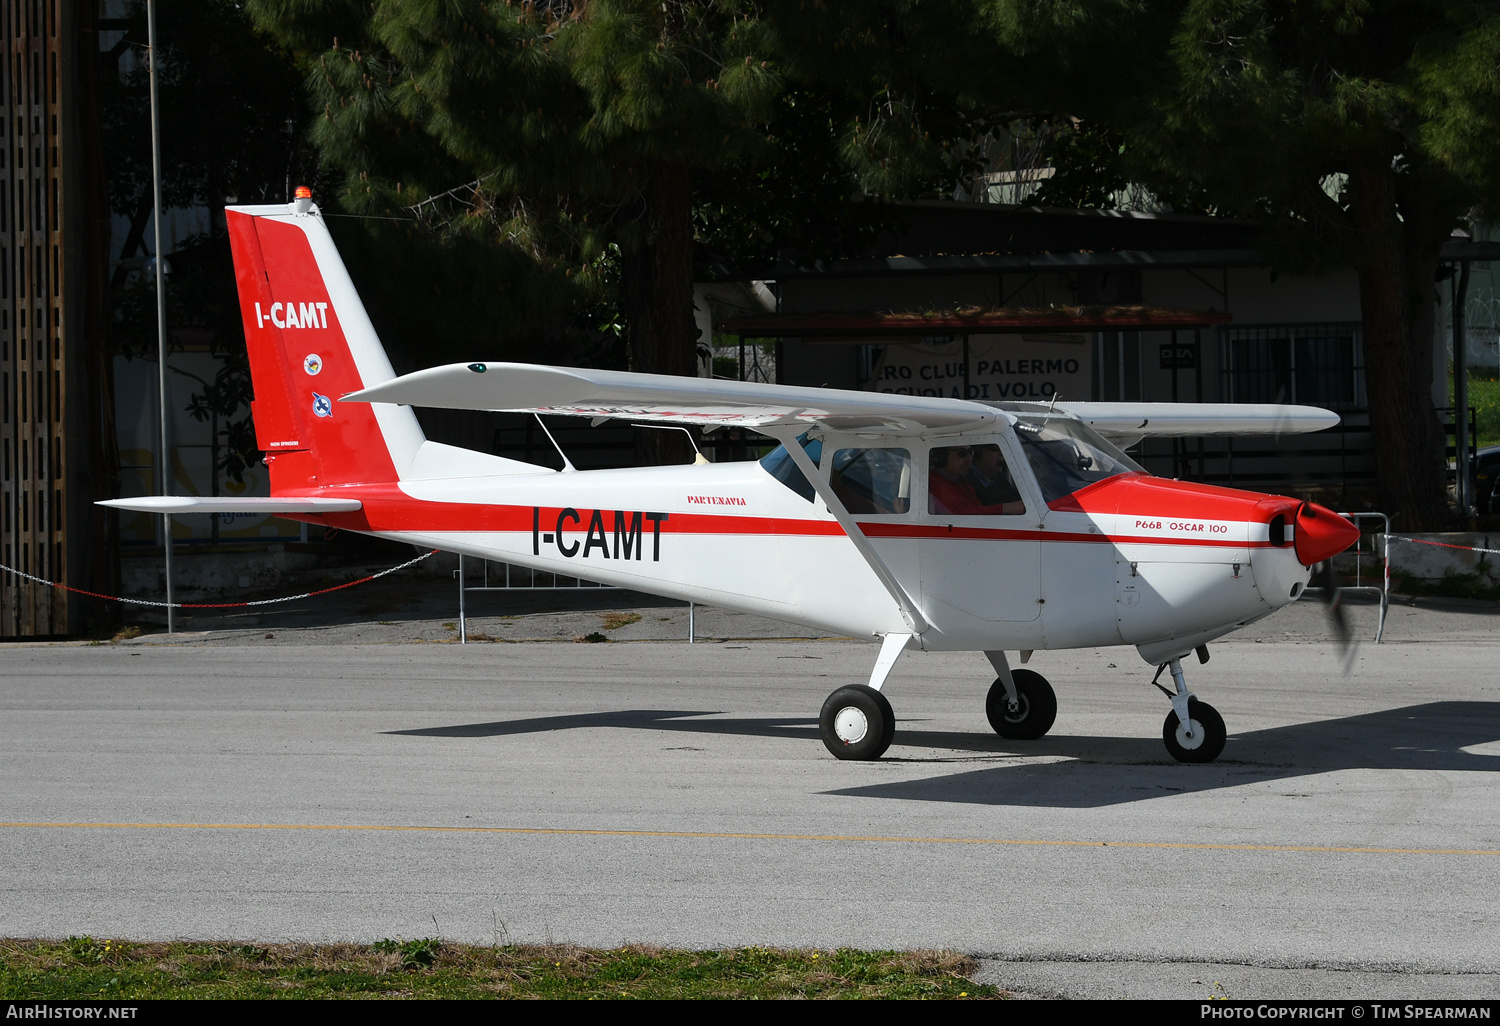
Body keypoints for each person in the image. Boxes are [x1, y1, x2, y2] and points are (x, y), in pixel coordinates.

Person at [927, 446, 1024, 515]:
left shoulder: (961, 482)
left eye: (970, 452)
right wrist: (1006, 509)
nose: (970, 458)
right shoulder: (934, 484)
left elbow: (977, 509)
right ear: (941, 457)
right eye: (962, 453)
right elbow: (958, 515)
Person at [969, 443, 1025, 511]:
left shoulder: (999, 478)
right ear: (978, 452)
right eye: (996, 449)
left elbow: (1014, 498)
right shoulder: (965, 480)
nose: (1002, 457)